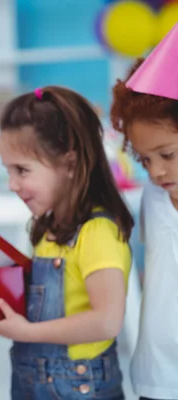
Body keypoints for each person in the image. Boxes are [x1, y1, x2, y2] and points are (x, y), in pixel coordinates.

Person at [0, 86, 133, 399]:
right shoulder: (48, 229)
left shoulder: (96, 234)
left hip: (80, 386)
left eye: (22, 170)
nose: (12, 184)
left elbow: (106, 321)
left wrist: (28, 332)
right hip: (34, 381)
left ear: (69, 163)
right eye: (8, 171)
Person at [110, 22, 178, 400]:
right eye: (143, 158)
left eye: (166, 155)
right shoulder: (153, 197)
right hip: (156, 375)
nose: (155, 171)